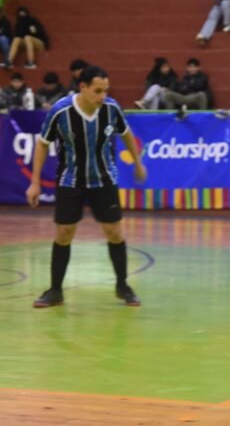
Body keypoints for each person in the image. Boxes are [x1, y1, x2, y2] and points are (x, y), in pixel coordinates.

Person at [26, 65, 148, 308]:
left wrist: (137, 162)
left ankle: (123, 285)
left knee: (115, 232)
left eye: (106, 90)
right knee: (64, 233)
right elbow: (42, 144)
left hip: (104, 179)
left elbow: (126, 133)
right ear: (82, 87)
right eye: (97, 90)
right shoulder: (61, 111)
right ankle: (55, 290)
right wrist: (35, 182)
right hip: (71, 180)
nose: (103, 96)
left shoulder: (111, 109)